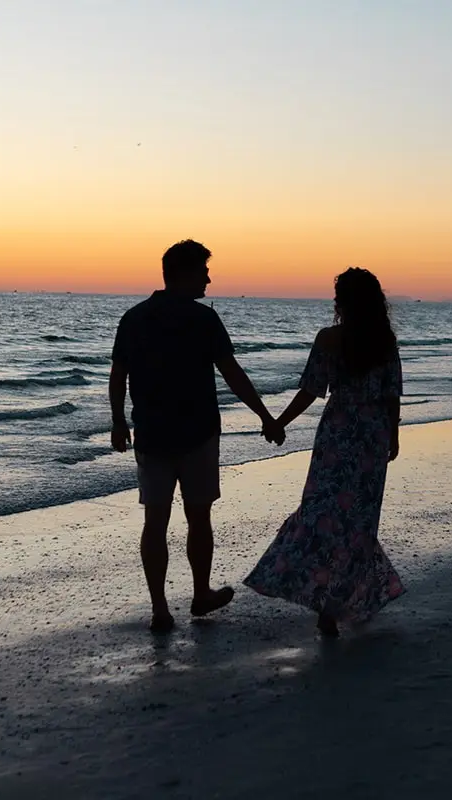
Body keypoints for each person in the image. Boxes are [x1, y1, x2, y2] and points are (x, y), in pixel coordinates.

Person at [109, 240, 284, 633]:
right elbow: (232, 373)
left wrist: (119, 421)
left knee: (156, 519)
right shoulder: (203, 320)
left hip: (152, 431)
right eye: (203, 271)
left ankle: (161, 609)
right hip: (197, 432)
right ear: (184, 274)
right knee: (197, 515)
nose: (209, 278)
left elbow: (118, 374)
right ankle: (200, 593)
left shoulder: (135, 318)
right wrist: (266, 417)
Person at [245, 267, 405, 637]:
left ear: (341, 302)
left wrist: (278, 421)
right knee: (359, 523)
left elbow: (311, 390)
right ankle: (332, 606)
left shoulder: (329, 339)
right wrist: (393, 435)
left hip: (337, 433)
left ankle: (321, 600)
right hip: (371, 436)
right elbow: (391, 392)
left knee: (320, 514)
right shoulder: (385, 340)